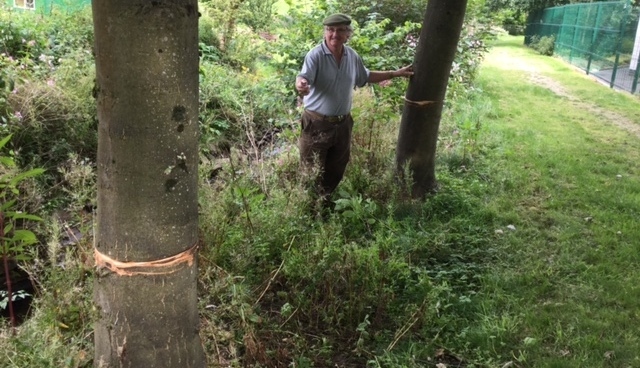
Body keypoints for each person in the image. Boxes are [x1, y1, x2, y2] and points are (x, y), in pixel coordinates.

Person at [295, 13, 413, 211]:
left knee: (336, 169)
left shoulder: (352, 56)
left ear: (348, 34)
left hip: (342, 125)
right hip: (317, 124)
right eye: (331, 30)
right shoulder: (315, 55)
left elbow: (364, 76)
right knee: (311, 170)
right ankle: (308, 212)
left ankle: (323, 206)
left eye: (340, 30)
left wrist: (395, 73)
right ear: (325, 32)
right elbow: (303, 77)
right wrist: (301, 85)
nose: (335, 34)